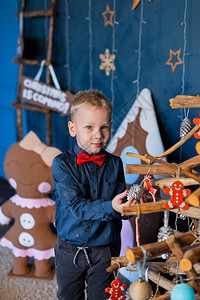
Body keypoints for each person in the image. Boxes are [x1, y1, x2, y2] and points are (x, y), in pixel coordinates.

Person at [52, 89, 134, 300]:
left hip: (105, 249)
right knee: (69, 296)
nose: (98, 134)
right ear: (73, 129)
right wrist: (111, 207)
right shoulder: (62, 164)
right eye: (89, 127)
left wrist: (130, 205)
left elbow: (120, 211)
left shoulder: (115, 163)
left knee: (102, 296)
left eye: (104, 127)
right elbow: (76, 207)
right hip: (69, 249)